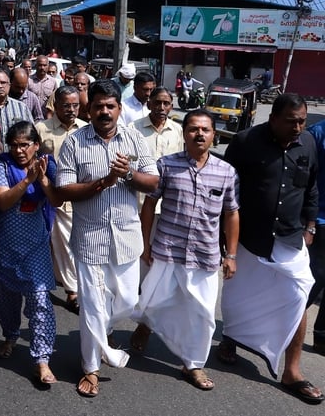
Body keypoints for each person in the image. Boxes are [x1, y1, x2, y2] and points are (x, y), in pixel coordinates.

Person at [219, 93, 324, 404]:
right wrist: (226, 238)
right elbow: (229, 189)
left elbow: (312, 186)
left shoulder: (308, 143)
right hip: (250, 237)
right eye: (291, 122)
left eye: (302, 121)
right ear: (273, 119)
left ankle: (292, 370)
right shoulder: (244, 141)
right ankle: (230, 339)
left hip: (291, 238)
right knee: (240, 295)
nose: (298, 128)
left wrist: (310, 226)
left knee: (299, 295)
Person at [56, 79, 159, 398]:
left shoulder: (134, 139)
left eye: (110, 106)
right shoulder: (75, 142)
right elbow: (63, 189)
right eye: (98, 105)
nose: (104, 111)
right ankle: (91, 368)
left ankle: (103, 332)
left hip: (127, 238)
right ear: (89, 109)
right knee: (91, 308)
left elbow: (153, 181)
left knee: (127, 301)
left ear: (118, 108)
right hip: (89, 240)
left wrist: (128, 175)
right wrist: (103, 182)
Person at [131, 109, 239, 391]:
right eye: (193, 129)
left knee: (203, 314)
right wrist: (145, 243)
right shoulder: (166, 165)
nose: (199, 134)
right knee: (152, 301)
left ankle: (193, 364)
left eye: (205, 130)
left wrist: (231, 255)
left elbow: (231, 214)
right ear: (184, 134)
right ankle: (146, 325)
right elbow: (149, 204)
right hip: (167, 248)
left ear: (214, 135)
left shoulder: (226, 172)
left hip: (205, 255)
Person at [0, 121, 62, 385]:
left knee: (40, 297)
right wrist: (27, 181)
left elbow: (57, 200)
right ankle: (10, 335)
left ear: (35, 145)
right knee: (8, 298)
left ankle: (41, 359)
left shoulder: (47, 163)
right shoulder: (3, 164)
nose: (20, 150)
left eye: (25, 145)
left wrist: (41, 179)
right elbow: (2, 200)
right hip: (6, 244)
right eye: (15, 145)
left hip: (36, 245)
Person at [35, 86, 86, 312]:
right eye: (66, 105)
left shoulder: (86, 129)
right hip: (48, 196)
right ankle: (67, 287)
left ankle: (72, 287)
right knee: (57, 243)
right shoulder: (41, 129)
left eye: (75, 105)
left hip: (79, 195)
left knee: (71, 243)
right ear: (55, 106)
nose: (72, 110)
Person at [307, 117, 325, 357]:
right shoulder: (317, 133)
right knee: (316, 278)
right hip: (320, 218)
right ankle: (285, 325)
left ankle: (321, 336)